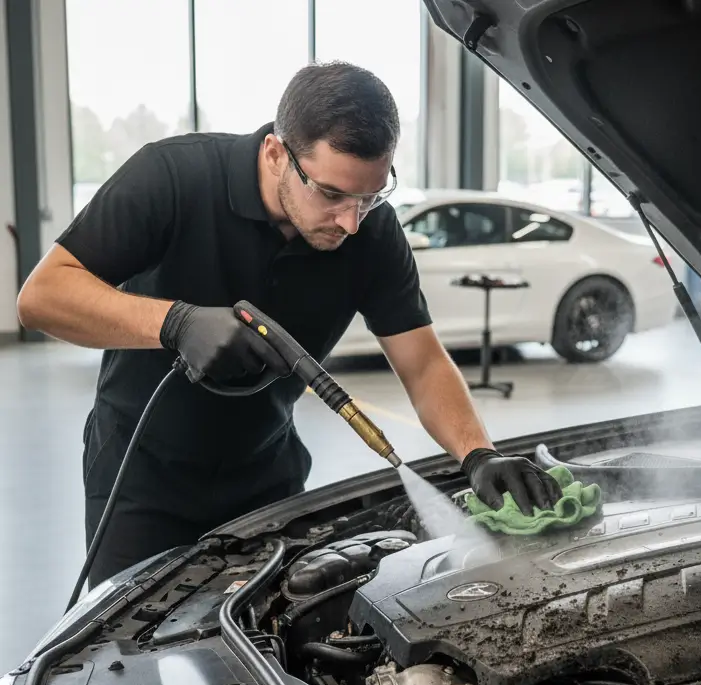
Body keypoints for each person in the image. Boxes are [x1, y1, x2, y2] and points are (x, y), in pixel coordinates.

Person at [17, 61, 561, 587]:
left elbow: (421, 362)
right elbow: (43, 296)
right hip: (139, 480)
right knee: (128, 663)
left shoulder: (372, 234)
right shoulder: (173, 177)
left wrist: (478, 453)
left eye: (371, 196)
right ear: (277, 153)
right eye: (331, 194)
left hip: (268, 481)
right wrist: (174, 322)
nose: (350, 221)